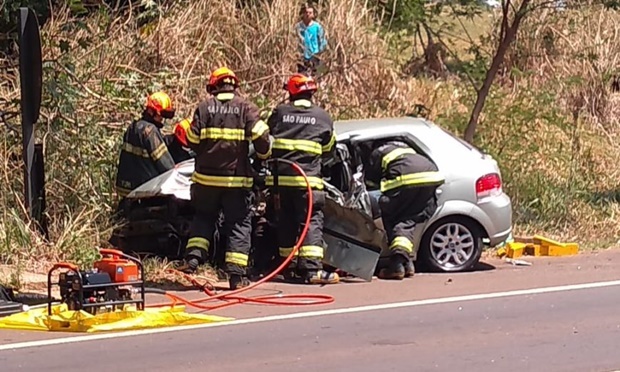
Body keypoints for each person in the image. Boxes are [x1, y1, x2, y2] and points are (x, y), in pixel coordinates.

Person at [179, 67, 272, 290]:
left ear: (214, 86)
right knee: (238, 225)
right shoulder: (245, 107)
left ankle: (193, 259)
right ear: (234, 85)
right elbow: (261, 136)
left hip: (205, 181)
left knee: (203, 217)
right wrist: (262, 158)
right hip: (235, 183)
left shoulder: (203, 107)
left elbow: (191, 139)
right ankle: (236, 277)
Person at [265, 73, 339, 285]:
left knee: (286, 222)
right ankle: (311, 270)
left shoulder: (280, 113)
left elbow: (266, 135)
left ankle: (287, 267)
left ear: (291, 92)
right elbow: (328, 150)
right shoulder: (323, 117)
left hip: (280, 183)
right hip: (308, 182)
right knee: (310, 222)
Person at [363, 140, 445, 280]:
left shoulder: (376, 154)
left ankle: (396, 266)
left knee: (393, 217)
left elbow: (370, 179)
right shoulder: (404, 147)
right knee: (408, 220)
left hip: (405, 179)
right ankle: (406, 264)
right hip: (430, 178)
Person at [114, 91, 176, 200]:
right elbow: (167, 166)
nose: (163, 119)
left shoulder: (132, 128)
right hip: (145, 191)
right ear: (152, 112)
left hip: (126, 190)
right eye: (162, 115)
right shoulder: (150, 132)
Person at [295, 3, 327, 76]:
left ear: (313, 14)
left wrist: (320, 51)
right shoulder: (298, 27)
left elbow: (322, 40)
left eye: (310, 13)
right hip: (302, 55)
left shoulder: (317, 27)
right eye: (306, 12)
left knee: (314, 75)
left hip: (314, 54)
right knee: (302, 75)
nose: (308, 14)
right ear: (303, 13)